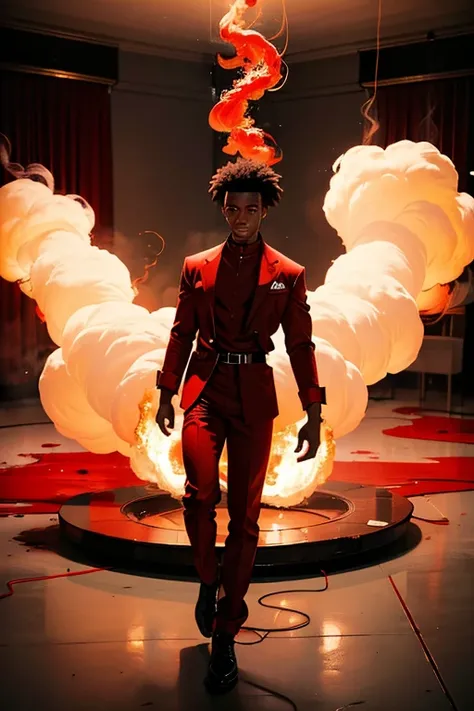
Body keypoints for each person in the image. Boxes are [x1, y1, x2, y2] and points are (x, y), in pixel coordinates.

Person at [156, 158, 325, 694]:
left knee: (246, 519)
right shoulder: (195, 265)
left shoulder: (290, 274)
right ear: (224, 209)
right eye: (233, 208)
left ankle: (226, 634)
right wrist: (165, 390)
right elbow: (181, 332)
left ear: (264, 210)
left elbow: (300, 345)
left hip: (254, 396)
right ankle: (210, 581)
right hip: (204, 391)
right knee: (198, 495)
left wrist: (314, 412)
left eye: (251, 209)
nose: (241, 217)